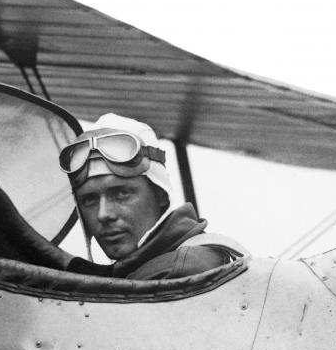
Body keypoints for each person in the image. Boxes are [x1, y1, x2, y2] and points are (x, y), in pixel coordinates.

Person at [59, 114, 246, 279]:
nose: (103, 214)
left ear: (160, 195)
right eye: (89, 200)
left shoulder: (179, 273)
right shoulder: (141, 271)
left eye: (121, 194)